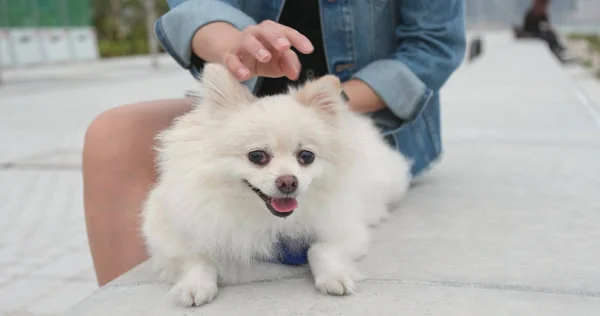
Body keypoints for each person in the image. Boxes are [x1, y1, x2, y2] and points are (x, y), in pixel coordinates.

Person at [83, 0, 467, 286]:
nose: (286, 177)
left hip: (356, 108)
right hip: (241, 101)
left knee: (347, 176)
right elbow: (192, 6)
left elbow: (433, 44)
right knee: (111, 133)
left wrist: (324, 111)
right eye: (259, 159)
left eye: (301, 160)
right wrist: (234, 46)